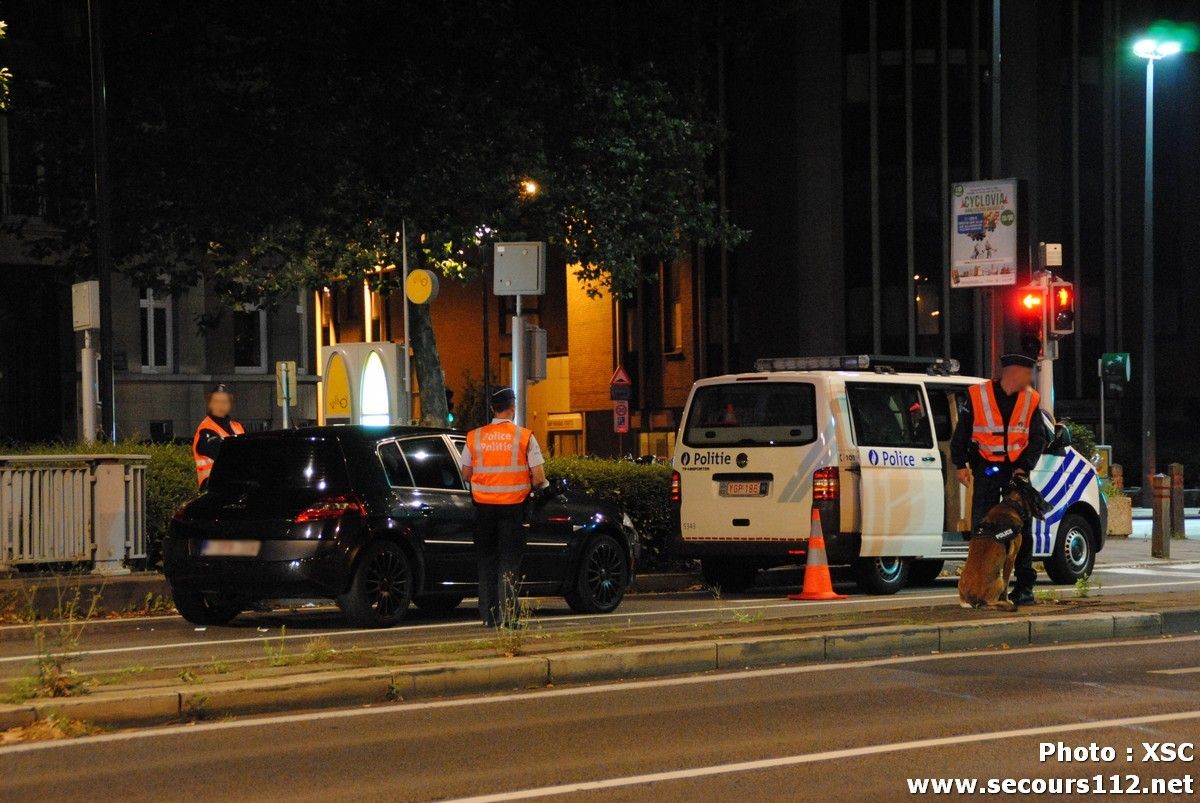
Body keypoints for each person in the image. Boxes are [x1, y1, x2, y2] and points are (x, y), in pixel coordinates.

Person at [950, 353, 1046, 606]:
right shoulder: (978, 395)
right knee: (983, 530)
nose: (1030, 380)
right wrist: (960, 464)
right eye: (1027, 374)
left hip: (1016, 472)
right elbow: (962, 432)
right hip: (988, 469)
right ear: (1012, 373)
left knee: (1021, 532)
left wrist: (1023, 467)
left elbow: (1038, 438)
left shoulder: (1030, 399)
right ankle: (977, 586)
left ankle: (1024, 588)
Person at [459, 387, 550, 627]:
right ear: (513, 407)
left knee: (487, 561)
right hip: (513, 509)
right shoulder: (525, 437)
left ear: (492, 409)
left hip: (483, 510)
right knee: (509, 563)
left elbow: (466, 473)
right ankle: (509, 617)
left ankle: (488, 617)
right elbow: (539, 478)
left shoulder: (474, 437)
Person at [192, 383, 244, 489]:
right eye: (216, 401)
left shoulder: (237, 426)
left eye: (224, 402)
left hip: (236, 484)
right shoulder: (205, 429)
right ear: (210, 404)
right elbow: (222, 453)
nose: (220, 405)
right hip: (212, 486)